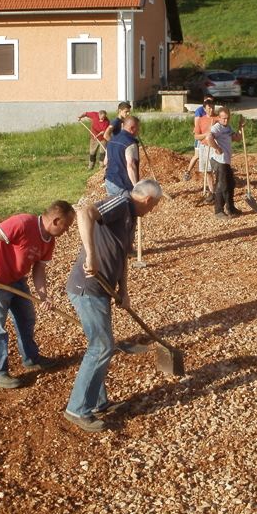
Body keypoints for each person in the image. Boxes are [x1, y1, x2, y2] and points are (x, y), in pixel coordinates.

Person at [64, 179, 163, 432]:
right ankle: (77, 408)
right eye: (153, 207)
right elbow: (84, 212)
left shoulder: (130, 219)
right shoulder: (121, 202)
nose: (151, 212)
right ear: (147, 200)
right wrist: (91, 254)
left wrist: (124, 291)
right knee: (102, 345)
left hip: (104, 290)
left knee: (101, 344)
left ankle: (98, 402)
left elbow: (122, 257)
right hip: (87, 288)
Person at [0, 201, 76, 389]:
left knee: (27, 318)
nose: (66, 231)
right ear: (56, 221)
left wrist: (44, 296)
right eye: (66, 226)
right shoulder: (23, 223)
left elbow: (39, 269)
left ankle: (31, 358)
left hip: (17, 281)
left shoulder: (49, 241)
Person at [207, 106, 243, 218]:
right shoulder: (217, 127)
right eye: (223, 118)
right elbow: (209, 138)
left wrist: (240, 128)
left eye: (227, 118)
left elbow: (237, 138)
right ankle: (218, 211)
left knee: (230, 184)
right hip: (218, 161)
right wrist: (217, 148)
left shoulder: (228, 127)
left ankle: (231, 208)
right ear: (219, 117)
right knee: (221, 185)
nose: (225, 121)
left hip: (226, 160)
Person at [104, 115, 140, 196]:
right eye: (138, 128)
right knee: (127, 207)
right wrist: (136, 187)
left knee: (114, 207)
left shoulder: (112, 139)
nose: (139, 131)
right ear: (132, 128)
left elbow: (105, 162)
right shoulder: (130, 143)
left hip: (109, 181)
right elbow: (131, 166)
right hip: (122, 185)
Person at [182, 96, 214, 181]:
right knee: (197, 155)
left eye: (211, 101)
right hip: (201, 137)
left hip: (210, 138)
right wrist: (204, 133)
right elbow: (197, 124)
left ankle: (210, 173)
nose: (210, 104)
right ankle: (188, 172)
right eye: (207, 101)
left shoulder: (213, 112)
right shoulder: (199, 111)